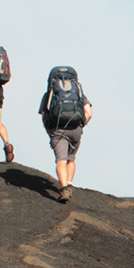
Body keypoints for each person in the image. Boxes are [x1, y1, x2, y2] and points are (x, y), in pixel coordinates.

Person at [37, 66, 93, 202]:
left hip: (58, 129)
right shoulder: (79, 93)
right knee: (71, 158)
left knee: (61, 160)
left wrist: (50, 131)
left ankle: (64, 189)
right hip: (76, 129)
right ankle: (69, 183)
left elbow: (44, 114)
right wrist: (81, 125)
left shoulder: (49, 94)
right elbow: (89, 113)